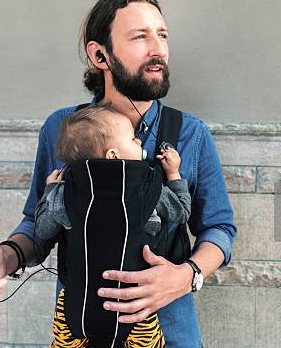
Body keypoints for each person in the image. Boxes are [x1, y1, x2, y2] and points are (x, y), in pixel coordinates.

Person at [0, 0, 237, 347]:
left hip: (169, 332)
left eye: (162, 35)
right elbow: (38, 223)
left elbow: (220, 228)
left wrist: (187, 276)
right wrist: (4, 257)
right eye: (140, 36)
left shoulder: (191, 134)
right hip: (79, 330)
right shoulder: (61, 127)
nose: (158, 49)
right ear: (99, 54)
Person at [36, 103, 192, 347]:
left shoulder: (67, 192)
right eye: (132, 139)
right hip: (135, 304)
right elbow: (181, 212)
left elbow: (43, 230)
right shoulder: (147, 188)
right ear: (113, 155)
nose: (139, 143)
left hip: (77, 302)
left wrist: (51, 191)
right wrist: (173, 174)